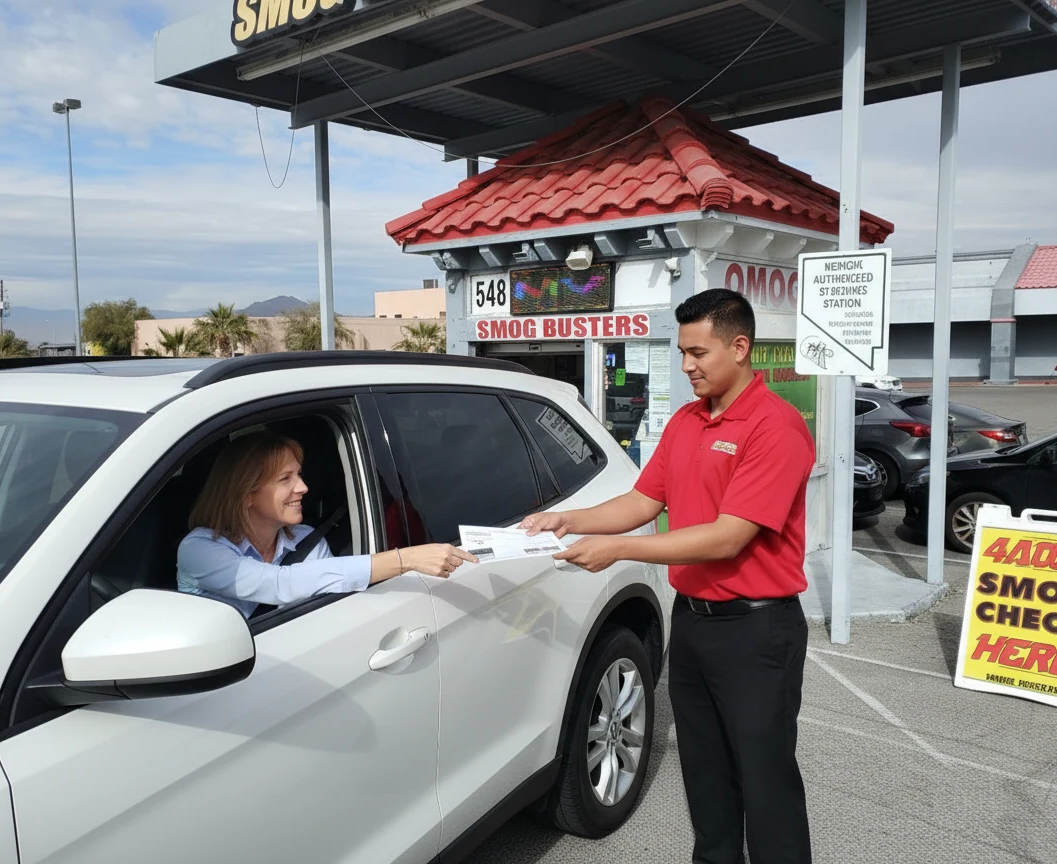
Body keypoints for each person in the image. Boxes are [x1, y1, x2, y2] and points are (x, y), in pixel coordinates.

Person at [523, 289, 814, 864]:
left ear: (740, 347)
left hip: (757, 633)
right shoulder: (686, 421)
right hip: (695, 625)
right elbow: (641, 499)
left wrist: (619, 551)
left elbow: (730, 535)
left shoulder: (774, 426)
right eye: (681, 353)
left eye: (698, 353)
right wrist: (566, 520)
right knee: (704, 775)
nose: (687, 367)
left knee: (765, 783)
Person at [178, 431, 477, 617]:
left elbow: (326, 607)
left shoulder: (307, 541)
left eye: (299, 474)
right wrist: (405, 559)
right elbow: (280, 586)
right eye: (286, 479)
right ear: (245, 494)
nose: (303, 487)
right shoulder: (200, 550)